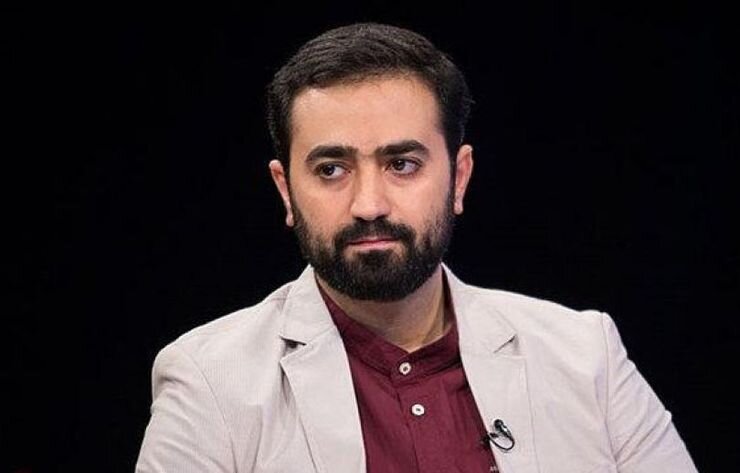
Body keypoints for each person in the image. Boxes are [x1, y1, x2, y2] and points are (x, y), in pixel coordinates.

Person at [136, 23, 697, 473]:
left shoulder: (586, 355)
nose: (369, 204)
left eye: (402, 164)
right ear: (286, 191)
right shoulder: (211, 381)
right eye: (331, 169)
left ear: (459, 178)